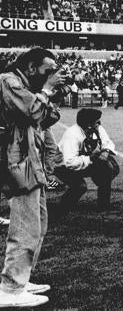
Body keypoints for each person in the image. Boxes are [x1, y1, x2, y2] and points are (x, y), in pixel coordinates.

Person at [0, 48, 65, 308]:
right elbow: (31, 111)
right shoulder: (8, 81)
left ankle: (20, 279)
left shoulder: (27, 86)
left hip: (30, 160)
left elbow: (46, 117)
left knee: (38, 223)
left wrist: (53, 95)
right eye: (47, 71)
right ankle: (10, 289)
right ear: (30, 68)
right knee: (25, 226)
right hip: (16, 161)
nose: (51, 76)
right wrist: (47, 90)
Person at [55, 108, 119, 212]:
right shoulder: (72, 135)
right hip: (63, 166)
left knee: (110, 166)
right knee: (80, 187)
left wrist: (105, 152)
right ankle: (64, 206)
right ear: (89, 124)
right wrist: (90, 158)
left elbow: (106, 141)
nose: (99, 123)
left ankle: (103, 205)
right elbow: (70, 162)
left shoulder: (96, 128)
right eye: (97, 121)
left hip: (83, 161)